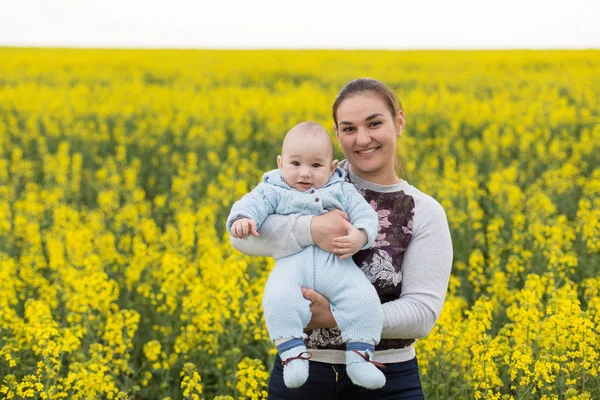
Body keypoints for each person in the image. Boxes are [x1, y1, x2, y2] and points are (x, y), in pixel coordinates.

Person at [230, 78, 453, 399]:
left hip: (389, 378)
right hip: (307, 373)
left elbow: (421, 315)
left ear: (399, 122)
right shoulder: (308, 178)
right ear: (337, 135)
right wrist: (312, 229)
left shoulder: (423, 210)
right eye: (349, 129)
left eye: (374, 123)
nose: (363, 138)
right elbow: (243, 238)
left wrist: (334, 317)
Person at [226, 121, 387, 390]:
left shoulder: (341, 189)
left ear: (332, 167)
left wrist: (360, 236)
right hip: (292, 266)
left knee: (365, 299)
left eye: (315, 166)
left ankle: (360, 358)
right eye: (295, 163)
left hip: (336, 264)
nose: (305, 174)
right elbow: (250, 205)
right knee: (278, 299)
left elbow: (365, 216)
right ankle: (292, 355)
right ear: (280, 163)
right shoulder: (272, 189)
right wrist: (242, 219)